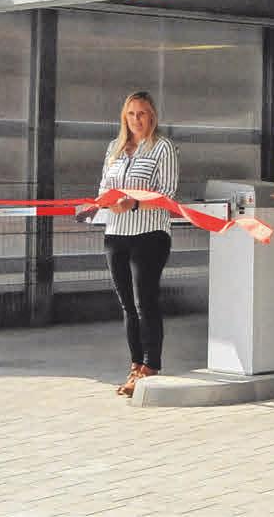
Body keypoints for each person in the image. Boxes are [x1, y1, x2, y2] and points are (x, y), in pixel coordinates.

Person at [76, 91, 179, 398]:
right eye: (131, 114)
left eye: (143, 113)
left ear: (153, 116)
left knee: (144, 301)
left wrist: (133, 203)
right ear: (124, 117)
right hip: (116, 233)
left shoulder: (163, 147)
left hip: (149, 234)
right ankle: (135, 364)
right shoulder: (115, 148)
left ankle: (151, 365)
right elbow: (104, 189)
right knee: (126, 305)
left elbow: (167, 195)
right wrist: (97, 205)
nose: (137, 120)